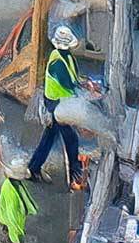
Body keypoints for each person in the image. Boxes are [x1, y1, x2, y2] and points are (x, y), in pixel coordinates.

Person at [26, 24, 95, 189]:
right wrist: (84, 93)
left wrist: (85, 83)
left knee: (50, 137)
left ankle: (34, 168)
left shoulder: (67, 57)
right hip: (55, 103)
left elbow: (73, 78)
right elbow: (67, 85)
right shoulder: (57, 61)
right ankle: (75, 176)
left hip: (61, 102)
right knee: (70, 139)